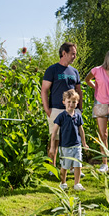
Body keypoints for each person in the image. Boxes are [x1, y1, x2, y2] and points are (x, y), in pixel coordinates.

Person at [42, 42, 84, 178]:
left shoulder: (74, 71)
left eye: (75, 54)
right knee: (55, 139)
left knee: (74, 139)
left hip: (73, 110)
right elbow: (44, 90)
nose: (74, 57)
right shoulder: (52, 70)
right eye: (72, 54)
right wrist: (46, 108)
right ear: (64, 53)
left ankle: (73, 167)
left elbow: (79, 90)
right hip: (56, 109)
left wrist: (80, 108)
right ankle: (52, 167)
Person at [50, 89, 88, 191]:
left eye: (74, 102)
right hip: (65, 146)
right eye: (69, 102)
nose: (71, 104)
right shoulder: (61, 116)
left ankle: (77, 184)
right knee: (65, 166)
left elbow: (81, 130)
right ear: (64, 102)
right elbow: (54, 133)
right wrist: (53, 147)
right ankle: (63, 183)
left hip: (77, 145)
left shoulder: (78, 116)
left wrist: (84, 143)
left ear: (77, 103)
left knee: (78, 165)